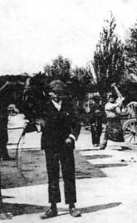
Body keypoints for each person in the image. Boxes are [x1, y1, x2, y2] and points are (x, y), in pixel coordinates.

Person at [40, 80, 82, 219]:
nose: (57, 96)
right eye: (54, 93)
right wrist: (33, 125)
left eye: (60, 93)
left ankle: (72, 206)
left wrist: (72, 136)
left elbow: (77, 123)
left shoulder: (69, 106)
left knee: (68, 174)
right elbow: (39, 123)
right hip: (50, 146)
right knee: (52, 175)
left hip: (66, 145)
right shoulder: (44, 106)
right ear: (49, 93)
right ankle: (53, 207)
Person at [99, 85, 125, 150]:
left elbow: (120, 107)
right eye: (110, 98)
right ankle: (103, 145)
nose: (112, 99)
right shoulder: (107, 105)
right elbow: (113, 107)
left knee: (119, 133)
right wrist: (119, 102)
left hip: (116, 120)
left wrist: (121, 100)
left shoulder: (116, 104)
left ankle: (123, 145)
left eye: (113, 98)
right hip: (110, 120)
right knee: (107, 134)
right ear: (109, 99)